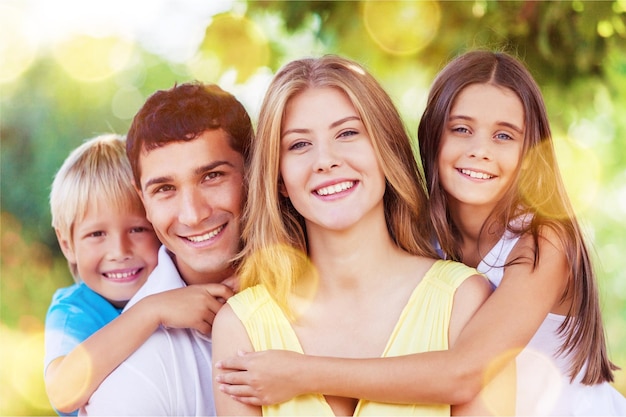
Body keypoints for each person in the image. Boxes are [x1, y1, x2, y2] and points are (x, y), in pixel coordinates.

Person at [214, 51, 626, 415]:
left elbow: (464, 373)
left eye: (504, 135)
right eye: (461, 129)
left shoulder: (542, 243)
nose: (480, 149)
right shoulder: (432, 240)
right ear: (432, 137)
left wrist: (303, 374)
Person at [212, 55, 492, 416]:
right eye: (298, 144)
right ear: (279, 178)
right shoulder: (242, 326)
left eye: (347, 133)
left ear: (384, 148)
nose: (325, 160)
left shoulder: (461, 300)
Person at [82, 82, 253, 415]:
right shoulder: (135, 374)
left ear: (253, 170)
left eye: (212, 176)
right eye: (164, 189)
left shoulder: (321, 272)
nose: (193, 214)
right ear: (142, 198)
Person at [44, 134, 222, 415]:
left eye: (138, 230)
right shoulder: (74, 310)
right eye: (96, 234)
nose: (119, 251)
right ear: (67, 244)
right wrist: (152, 310)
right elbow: (62, 392)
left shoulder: (178, 281)